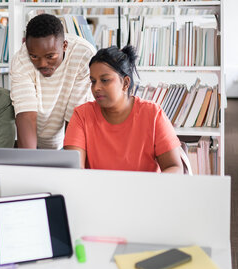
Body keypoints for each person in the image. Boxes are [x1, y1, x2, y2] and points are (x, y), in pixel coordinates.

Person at [63, 45, 183, 173]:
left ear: (125, 83)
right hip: (97, 191)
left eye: (104, 80)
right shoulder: (81, 115)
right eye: (93, 81)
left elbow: (174, 167)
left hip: (145, 191)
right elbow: (74, 171)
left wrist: (148, 190)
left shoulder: (153, 114)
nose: (96, 87)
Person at [10, 13, 96, 149]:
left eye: (50, 56)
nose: (42, 63)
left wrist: (69, 163)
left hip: (66, 138)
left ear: (64, 46)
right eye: (34, 56)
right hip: (32, 140)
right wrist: (27, 165)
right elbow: (26, 115)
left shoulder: (84, 55)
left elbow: (76, 117)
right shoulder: (20, 60)